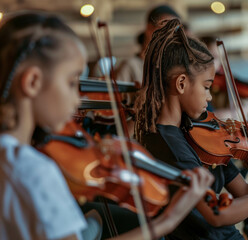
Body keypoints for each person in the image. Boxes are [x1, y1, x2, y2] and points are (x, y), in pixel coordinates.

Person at [0, 11, 215, 240]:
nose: (78, 99)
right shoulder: (34, 171)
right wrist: (168, 220)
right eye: (72, 82)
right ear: (33, 82)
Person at [134, 18, 248, 240]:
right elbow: (216, 215)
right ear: (181, 84)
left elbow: (244, 191)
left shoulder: (200, 134)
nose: (209, 97)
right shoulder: (169, 144)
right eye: (207, 87)